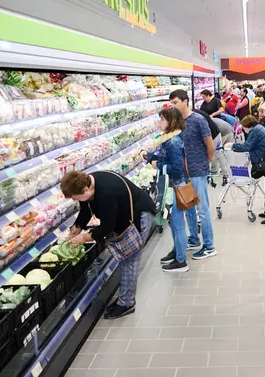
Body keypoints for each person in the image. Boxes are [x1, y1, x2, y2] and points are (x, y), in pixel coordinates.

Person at [62, 169, 155, 319]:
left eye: (75, 197)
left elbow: (107, 226)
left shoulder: (107, 193)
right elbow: (86, 209)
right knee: (125, 260)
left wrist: (84, 238)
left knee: (130, 259)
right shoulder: (88, 183)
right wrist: (76, 228)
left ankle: (126, 303)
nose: (74, 200)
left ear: (85, 190)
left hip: (139, 216)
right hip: (124, 217)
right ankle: (124, 299)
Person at [168, 90, 217, 259]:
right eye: (171, 103)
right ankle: (194, 240)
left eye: (175, 102)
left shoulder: (198, 120)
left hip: (197, 170)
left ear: (185, 101)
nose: (173, 106)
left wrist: (205, 162)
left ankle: (209, 246)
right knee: (189, 207)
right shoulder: (176, 122)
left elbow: (210, 146)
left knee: (202, 209)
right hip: (183, 172)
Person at [142, 108, 190, 273]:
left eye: (162, 119)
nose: (159, 122)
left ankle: (181, 261)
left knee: (177, 224)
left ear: (172, 122)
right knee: (173, 223)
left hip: (174, 186)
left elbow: (176, 168)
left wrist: (158, 164)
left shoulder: (173, 142)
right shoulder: (169, 139)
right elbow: (167, 159)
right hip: (172, 185)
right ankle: (177, 252)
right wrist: (150, 157)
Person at [227, 115, 265, 224]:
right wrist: (249, 159)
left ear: (248, 125)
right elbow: (257, 146)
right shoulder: (259, 129)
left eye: (243, 127)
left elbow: (247, 146)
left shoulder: (255, 131)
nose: (244, 130)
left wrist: (232, 145)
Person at [211, 116, 235, 186]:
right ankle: (228, 170)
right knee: (225, 152)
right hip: (230, 131)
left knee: (217, 152)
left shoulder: (204, 122)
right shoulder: (212, 119)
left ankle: (215, 170)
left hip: (223, 133)